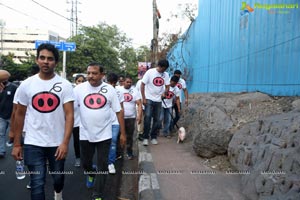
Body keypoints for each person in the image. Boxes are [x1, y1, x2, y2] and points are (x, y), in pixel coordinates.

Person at [11, 43, 75, 200]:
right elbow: (19, 115)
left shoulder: (65, 85)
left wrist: (65, 143)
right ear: (37, 60)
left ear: (56, 63)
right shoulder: (26, 85)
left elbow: (69, 115)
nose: (46, 61)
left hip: (57, 142)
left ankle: (58, 192)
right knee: (37, 183)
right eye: (42, 58)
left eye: (50, 59)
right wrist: (17, 144)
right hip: (33, 142)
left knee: (58, 178)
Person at [73, 63, 126, 200]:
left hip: (105, 134)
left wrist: (123, 134)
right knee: (86, 163)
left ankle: (97, 194)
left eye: (94, 73)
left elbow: (119, 112)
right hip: (85, 134)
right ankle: (91, 173)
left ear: (102, 75)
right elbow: (70, 109)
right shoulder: (78, 89)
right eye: (88, 73)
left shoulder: (109, 90)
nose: (90, 76)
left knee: (103, 165)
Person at [141, 59, 170, 146]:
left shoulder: (166, 75)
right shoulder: (150, 72)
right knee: (148, 118)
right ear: (159, 66)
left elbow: (167, 86)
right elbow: (142, 85)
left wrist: (164, 93)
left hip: (158, 100)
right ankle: (145, 137)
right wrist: (144, 98)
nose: (164, 71)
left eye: (165, 69)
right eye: (163, 69)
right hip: (149, 98)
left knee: (157, 120)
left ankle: (153, 137)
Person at [119, 76, 142, 159]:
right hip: (119, 118)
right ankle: (119, 153)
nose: (129, 83)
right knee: (119, 136)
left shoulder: (134, 91)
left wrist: (139, 115)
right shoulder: (119, 90)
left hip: (131, 118)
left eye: (130, 82)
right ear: (123, 82)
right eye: (127, 82)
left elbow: (139, 104)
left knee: (129, 136)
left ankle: (129, 152)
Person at [107, 72, 125, 174]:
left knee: (113, 141)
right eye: (110, 83)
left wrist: (122, 120)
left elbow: (121, 108)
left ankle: (110, 163)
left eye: (113, 83)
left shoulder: (119, 92)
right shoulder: (101, 90)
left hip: (115, 121)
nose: (112, 85)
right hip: (102, 122)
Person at [0, 70, 18, 158]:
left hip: (13, 116)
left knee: (16, 134)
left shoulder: (14, 87)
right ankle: (1, 151)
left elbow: (18, 101)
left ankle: (18, 148)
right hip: (1, 116)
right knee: (1, 134)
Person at [73, 74, 86, 167]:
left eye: (82, 81)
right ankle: (78, 157)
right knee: (76, 141)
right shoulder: (72, 92)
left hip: (86, 122)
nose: (80, 83)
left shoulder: (87, 93)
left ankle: (86, 159)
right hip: (76, 122)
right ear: (75, 82)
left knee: (86, 142)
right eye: (79, 81)